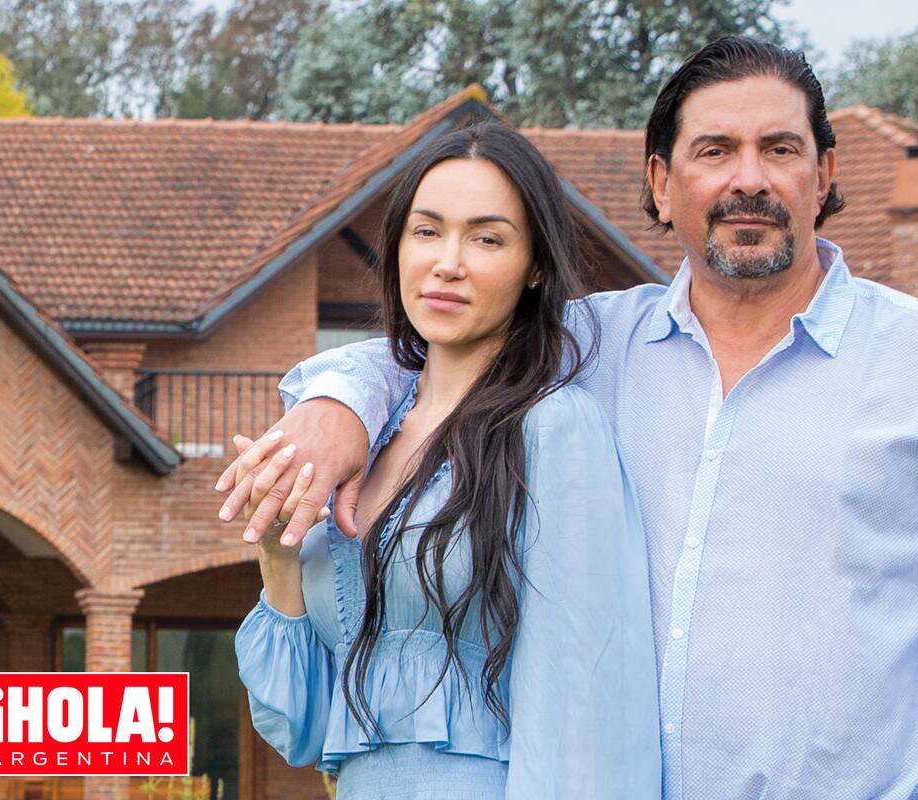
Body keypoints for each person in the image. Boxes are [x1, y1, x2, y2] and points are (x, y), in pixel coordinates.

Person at [220, 37, 918, 799]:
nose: (749, 177)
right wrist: (335, 406)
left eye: (779, 148)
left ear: (824, 176)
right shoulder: (593, 346)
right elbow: (444, 337)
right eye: (715, 150)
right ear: (663, 185)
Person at [231, 122, 661, 799]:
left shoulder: (554, 428)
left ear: (536, 266)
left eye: (487, 238)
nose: (448, 261)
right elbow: (301, 730)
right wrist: (279, 557)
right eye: (426, 231)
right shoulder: (363, 441)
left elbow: (587, 706)